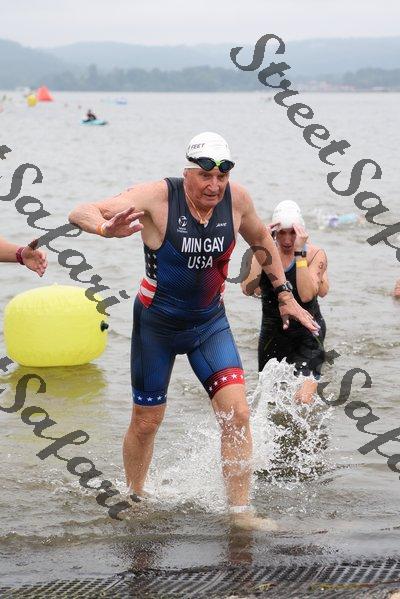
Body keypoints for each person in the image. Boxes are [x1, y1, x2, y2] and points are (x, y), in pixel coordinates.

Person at [68, 132, 319, 528]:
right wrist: (103, 228)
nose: (214, 185)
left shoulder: (236, 200)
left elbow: (261, 240)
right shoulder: (157, 197)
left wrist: (285, 294)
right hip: (157, 324)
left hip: (209, 324)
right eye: (205, 176)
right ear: (187, 172)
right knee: (146, 421)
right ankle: (135, 497)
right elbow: (80, 210)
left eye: (222, 176)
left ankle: (240, 514)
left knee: (237, 415)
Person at [242, 200, 328, 405]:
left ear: (301, 232)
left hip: (308, 333)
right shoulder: (263, 252)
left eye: (293, 233)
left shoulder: (315, 254)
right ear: (274, 232)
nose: (287, 239)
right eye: (282, 233)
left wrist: (300, 253)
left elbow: (306, 295)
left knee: (302, 401)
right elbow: (247, 289)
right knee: (270, 401)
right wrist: (260, 247)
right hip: (273, 334)